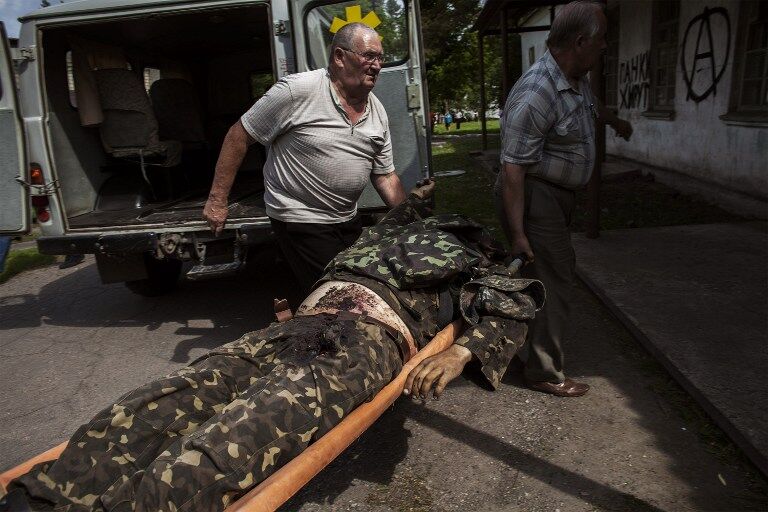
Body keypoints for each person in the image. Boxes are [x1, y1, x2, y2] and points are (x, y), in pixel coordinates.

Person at [5, 182, 544, 512]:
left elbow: (515, 299)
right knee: (173, 393)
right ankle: (48, 492)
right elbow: (402, 211)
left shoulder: (473, 265)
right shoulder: (387, 233)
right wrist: (416, 201)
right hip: (299, 323)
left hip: (368, 339)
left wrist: (459, 353)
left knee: (243, 431)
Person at [202, 22, 406, 293]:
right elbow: (239, 135)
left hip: (346, 216)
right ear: (339, 57)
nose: (377, 65)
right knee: (340, 293)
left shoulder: (377, 111)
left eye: (380, 57)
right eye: (369, 56)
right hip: (300, 216)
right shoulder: (297, 91)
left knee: (361, 283)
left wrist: (412, 219)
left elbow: (385, 175)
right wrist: (218, 200)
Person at [495, 0, 632, 397]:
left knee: (548, 277)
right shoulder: (537, 92)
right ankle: (542, 372)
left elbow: (590, 108)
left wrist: (614, 120)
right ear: (580, 41)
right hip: (534, 197)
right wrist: (519, 234)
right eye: (602, 39)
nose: (606, 46)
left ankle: (525, 350)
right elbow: (512, 170)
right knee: (554, 281)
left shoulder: (575, 79)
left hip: (553, 197)